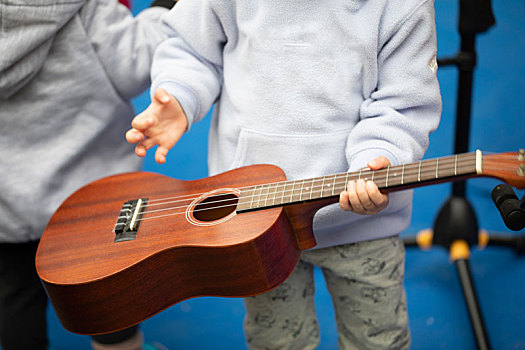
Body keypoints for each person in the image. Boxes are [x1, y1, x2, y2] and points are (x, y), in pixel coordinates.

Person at [126, 0, 442, 349]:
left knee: (379, 342)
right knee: (275, 343)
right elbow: (191, 47)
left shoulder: (402, 6)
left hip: (360, 223)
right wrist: (180, 94)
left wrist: (378, 158)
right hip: (255, 221)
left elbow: (403, 102)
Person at [0, 1, 177, 349]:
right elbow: (135, 64)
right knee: (111, 304)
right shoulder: (86, 8)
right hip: (95, 198)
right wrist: (164, 8)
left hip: (7, 203)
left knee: (14, 302)